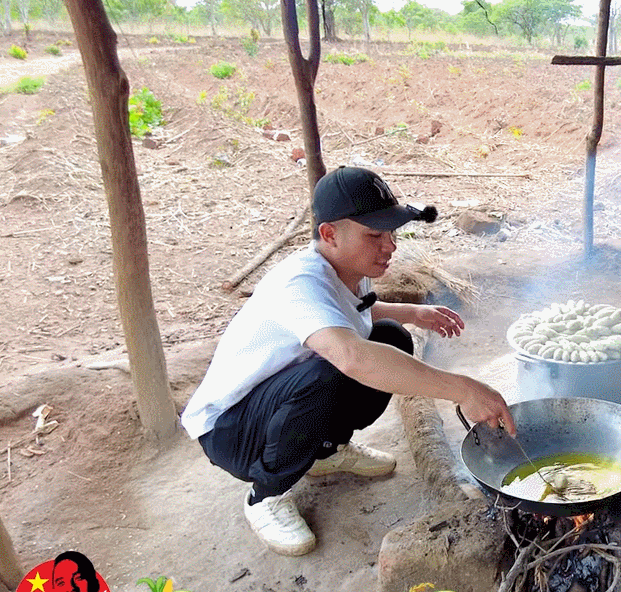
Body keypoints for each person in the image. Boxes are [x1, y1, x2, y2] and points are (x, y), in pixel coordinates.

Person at [181, 166, 515, 556]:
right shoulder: (300, 283)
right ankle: (265, 495)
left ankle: (325, 451)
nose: (389, 245)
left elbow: (353, 314)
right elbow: (351, 357)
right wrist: (463, 388)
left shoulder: (350, 270)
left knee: (391, 336)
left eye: (391, 232)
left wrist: (412, 314)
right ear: (329, 234)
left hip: (273, 403)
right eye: (374, 235)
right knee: (333, 370)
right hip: (231, 431)